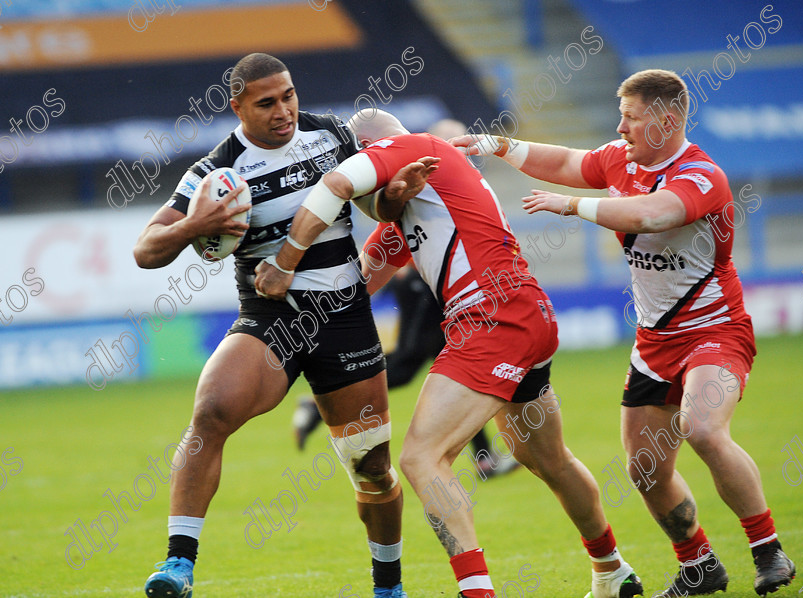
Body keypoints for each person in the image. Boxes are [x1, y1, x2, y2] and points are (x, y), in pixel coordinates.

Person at [260, 108, 645, 598]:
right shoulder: (413, 209)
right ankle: (611, 570)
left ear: (369, 151)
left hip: (491, 317)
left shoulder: (406, 147)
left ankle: (477, 592)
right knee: (544, 456)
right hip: (523, 314)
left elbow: (337, 183)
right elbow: (353, 293)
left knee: (422, 457)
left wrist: (284, 260)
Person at [451, 69, 795, 597]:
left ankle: (767, 550)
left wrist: (572, 205)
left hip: (715, 331)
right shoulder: (621, 158)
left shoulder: (702, 176)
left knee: (702, 428)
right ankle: (698, 565)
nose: (621, 127)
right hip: (655, 343)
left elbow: (656, 214)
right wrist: (499, 144)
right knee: (645, 469)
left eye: (631, 118)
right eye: (621, 116)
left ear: (668, 120)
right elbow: (569, 162)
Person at [133, 53, 434, 598]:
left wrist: (394, 194)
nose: (284, 110)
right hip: (270, 316)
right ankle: (178, 564)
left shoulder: (331, 136)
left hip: (344, 318)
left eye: (289, 96)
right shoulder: (214, 172)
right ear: (238, 106)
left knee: (373, 467)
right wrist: (194, 226)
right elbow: (145, 250)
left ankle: (388, 587)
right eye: (267, 103)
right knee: (212, 411)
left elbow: (377, 209)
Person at [292, 119, 521, 480]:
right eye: (453, 141)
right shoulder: (415, 157)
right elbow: (377, 230)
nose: (459, 151)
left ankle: (484, 458)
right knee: (412, 364)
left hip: (450, 294)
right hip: (424, 287)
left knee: (453, 368)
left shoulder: (424, 175)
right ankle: (320, 406)